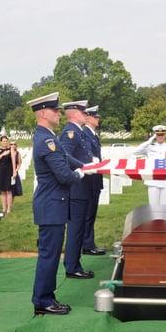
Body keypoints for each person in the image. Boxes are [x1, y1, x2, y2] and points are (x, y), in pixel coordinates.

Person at [28, 92, 84, 315]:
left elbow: (68, 159)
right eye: (54, 110)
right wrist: (80, 174)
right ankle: (43, 301)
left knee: (50, 253)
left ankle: (46, 297)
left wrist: (87, 166)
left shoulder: (49, 137)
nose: (58, 114)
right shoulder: (46, 140)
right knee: (49, 255)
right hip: (51, 206)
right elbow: (64, 175)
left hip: (53, 204)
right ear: (42, 113)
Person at [59, 99, 96, 280]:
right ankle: (72, 266)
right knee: (75, 229)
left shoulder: (79, 132)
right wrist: (84, 166)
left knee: (79, 228)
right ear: (74, 114)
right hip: (76, 188)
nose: (86, 115)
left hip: (83, 187)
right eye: (83, 112)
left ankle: (74, 263)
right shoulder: (70, 132)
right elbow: (64, 155)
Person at [81, 106, 106, 256]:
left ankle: (89, 242)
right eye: (95, 117)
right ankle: (87, 244)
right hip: (89, 180)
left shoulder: (93, 135)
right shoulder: (85, 134)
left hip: (95, 179)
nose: (98, 119)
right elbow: (89, 156)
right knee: (88, 214)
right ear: (88, 118)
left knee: (91, 213)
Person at [134, 125, 166, 207]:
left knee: (164, 209)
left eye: (162, 134)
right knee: (153, 208)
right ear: (155, 135)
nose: (160, 137)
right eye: (158, 134)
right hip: (152, 181)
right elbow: (135, 151)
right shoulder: (149, 147)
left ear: (165, 135)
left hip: (165, 181)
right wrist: (150, 140)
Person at [0, 135, 14, 214]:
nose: (5, 142)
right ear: (1, 142)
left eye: (6, 141)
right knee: (2, 191)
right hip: (1, 171)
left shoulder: (10, 149)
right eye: (3, 141)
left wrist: (14, 171)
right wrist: (3, 154)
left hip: (9, 171)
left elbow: (13, 160)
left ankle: (9, 208)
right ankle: (4, 208)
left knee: (8, 190)